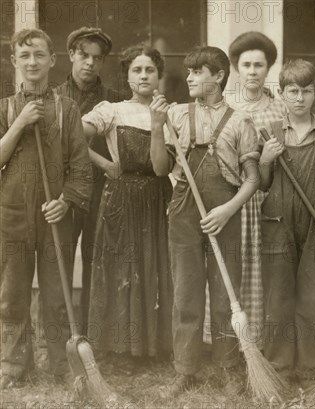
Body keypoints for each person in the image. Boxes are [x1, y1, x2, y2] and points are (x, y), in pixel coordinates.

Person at [149, 46, 260, 397]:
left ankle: (228, 366)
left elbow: (253, 179)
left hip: (225, 212)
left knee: (227, 294)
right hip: (184, 211)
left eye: (198, 72)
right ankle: (185, 369)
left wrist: (227, 210)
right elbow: (160, 168)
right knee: (186, 294)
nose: (190, 77)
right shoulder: (177, 115)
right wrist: (155, 126)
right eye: (189, 71)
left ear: (219, 76)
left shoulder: (241, 121)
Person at [0, 29, 92, 389]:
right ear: (14, 62)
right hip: (11, 214)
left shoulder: (66, 109)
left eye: (39, 55)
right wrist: (21, 121)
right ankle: (12, 364)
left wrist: (66, 201)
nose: (32, 62)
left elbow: (81, 168)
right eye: (24, 56)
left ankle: (62, 365)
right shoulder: (6, 107)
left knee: (58, 294)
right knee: (11, 293)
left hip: (55, 214)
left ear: (53, 60)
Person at [259, 59, 315, 382]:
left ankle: (311, 366)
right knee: (279, 294)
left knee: (312, 295)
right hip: (277, 221)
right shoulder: (269, 134)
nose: (300, 98)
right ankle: (279, 365)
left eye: (306, 91)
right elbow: (262, 183)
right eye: (292, 91)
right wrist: (266, 161)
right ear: (282, 94)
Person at [83, 44, 173, 359]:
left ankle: (154, 347)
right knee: (120, 268)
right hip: (119, 200)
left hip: (157, 199)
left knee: (155, 266)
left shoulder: (170, 113)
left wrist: (159, 125)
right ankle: (117, 348)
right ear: (128, 76)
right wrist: (104, 164)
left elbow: (162, 169)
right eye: (137, 69)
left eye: (150, 69)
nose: (144, 75)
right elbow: (73, 137)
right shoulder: (112, 109)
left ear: (159, 75)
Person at [55, 26, 127, 332]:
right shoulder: (54, 98)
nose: (90, 63)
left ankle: (96, 337)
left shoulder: (116, 101)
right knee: (59, 264)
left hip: (104, 193)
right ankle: (59, 339)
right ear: (71, 55)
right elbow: (55, 149)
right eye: (84, 55)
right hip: (64, 193)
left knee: (99, 263)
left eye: (97, 58)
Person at [225, 32, 287, 344]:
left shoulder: (280, 110)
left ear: (268, 69)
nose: (252, 71)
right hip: (230, 198)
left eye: (259, 65)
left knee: (260, 268)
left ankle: (257, 340)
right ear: (236, 67)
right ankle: (227, 338)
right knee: (230, 263)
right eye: (246, 64)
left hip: (266, 200)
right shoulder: (226, 107)